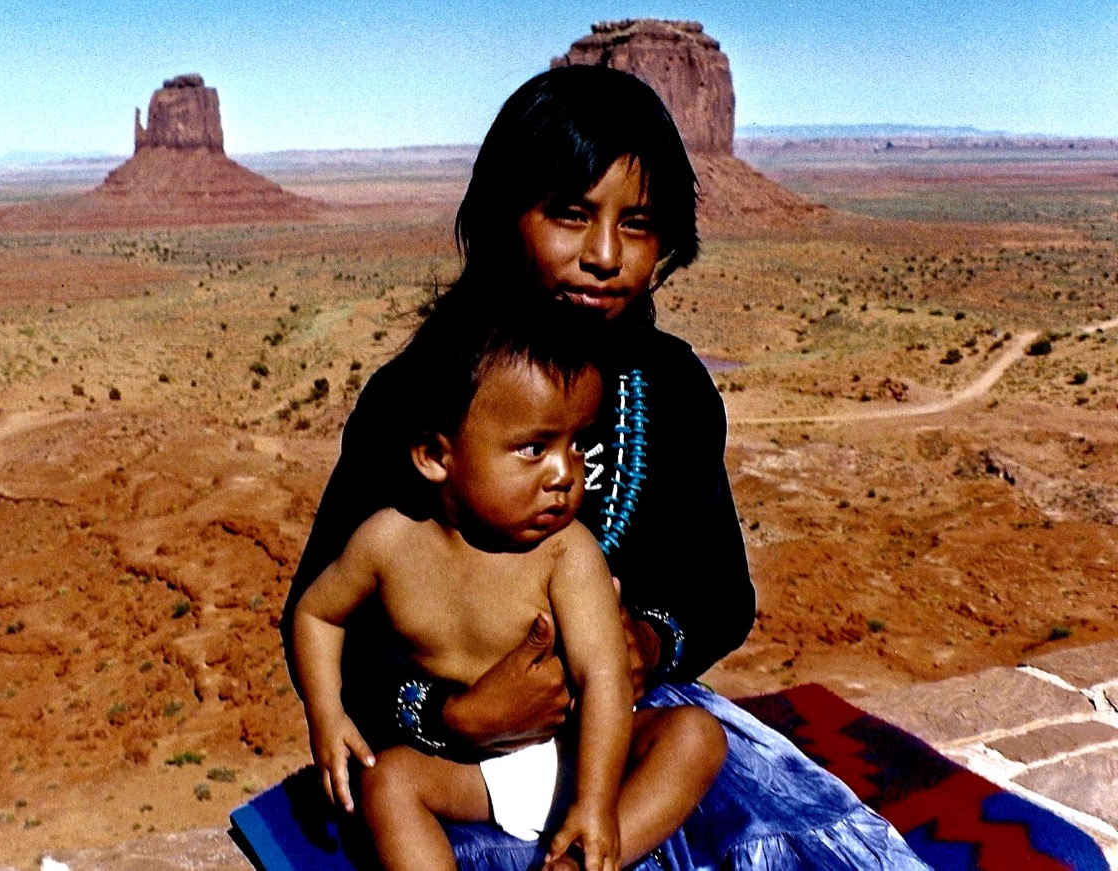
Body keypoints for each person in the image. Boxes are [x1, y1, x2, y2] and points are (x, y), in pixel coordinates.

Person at [281, 65, 928, 869]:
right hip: (448, 757)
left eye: (640, 223)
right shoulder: (419, 399)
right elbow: (329, 616)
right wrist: (457, 715)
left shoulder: (674, 388)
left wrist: (649, 645)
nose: (604, 254)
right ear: (502, 216)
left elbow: (722, 591)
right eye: (570, 214)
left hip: (626, 735)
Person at [291, 300, 728, 871]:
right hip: (469, 770)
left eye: (578, 444)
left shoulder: (567, 553)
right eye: (534, 448)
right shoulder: (386, 544)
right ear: (434, 456)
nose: (564, 474)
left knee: (695, 737)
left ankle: (580, 863)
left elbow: (604, 678)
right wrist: (327, 715)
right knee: (388, 783)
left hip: (577, 756)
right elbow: (317, 615)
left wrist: (594, 803)